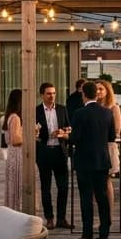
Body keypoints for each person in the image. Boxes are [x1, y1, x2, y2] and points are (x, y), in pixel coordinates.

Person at [69, 80, 115, 239]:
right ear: (96, 94)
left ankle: (87, 234)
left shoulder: (79, 113)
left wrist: (66, 136)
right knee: (102, 197)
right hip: (102, 160)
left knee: (86, 197)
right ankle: (104, 232)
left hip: (84, 161)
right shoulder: (107, 113)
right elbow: (111, 137)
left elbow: (75, 138)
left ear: (84, 95)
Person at [35, 82, 71, 230]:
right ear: (42, 95)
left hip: (59, 151)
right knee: (46, 187)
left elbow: (68, 128)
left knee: (63, 187)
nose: (52, 96)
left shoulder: (62, 109)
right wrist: (46, 134)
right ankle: (49, 218)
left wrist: (63, 133)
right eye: (49, 93)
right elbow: (33, 133)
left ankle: (61, 219)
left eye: (54, 93)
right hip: (44, 152)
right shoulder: (36, 111)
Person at [96, 79, 121, 216]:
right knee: (95, 183)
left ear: (107, 91)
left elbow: (117, 129)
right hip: (95, 147)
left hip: (108, 147)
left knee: (106, 181)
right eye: (96, 89)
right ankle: (98, 215)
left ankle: (109, 214)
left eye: (101, 89)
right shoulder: (92, 107)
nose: (98, 91)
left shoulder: (113, 108)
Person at [2, 88, 24, 211]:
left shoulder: (9, 116)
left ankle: (12, 209)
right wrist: (31, 136)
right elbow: (15, 140)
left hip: (11, 154)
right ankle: (18, 209)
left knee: (12, 185)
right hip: (17, 154)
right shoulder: (16, 118)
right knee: (17, 184)